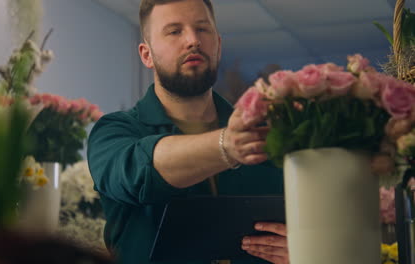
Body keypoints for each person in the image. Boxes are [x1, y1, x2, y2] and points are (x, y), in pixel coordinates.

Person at [87, 0, 288, 263]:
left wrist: (307, 251)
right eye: (174, 31)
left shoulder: (269, 132)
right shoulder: (114, 131)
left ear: (218, 44)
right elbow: (138, 173)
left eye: (202, 29)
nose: (193, 40)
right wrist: (227, 145)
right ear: (146, 54)